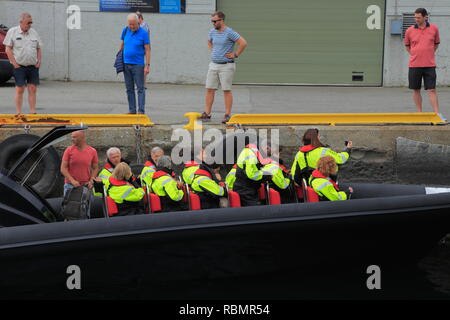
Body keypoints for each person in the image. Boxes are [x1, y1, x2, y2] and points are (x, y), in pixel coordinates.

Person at [200, 11, 248, 124]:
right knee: (210, 89)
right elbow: (209, 41)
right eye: (212, 21)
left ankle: (227, 114)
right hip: (213, 65)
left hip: (226, 66)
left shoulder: (230, 32)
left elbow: (243, 43)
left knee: (226, 90)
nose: (213, 23)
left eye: (215, 21)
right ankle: (207, 113)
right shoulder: (212, 31)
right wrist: (213, 50)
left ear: (221, 20)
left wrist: (235, 54)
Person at [3, 13, 42, 115]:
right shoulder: (13, 32)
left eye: (31, 22)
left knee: (32, 89)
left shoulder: (33, 32)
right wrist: (14, 63)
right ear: (21, 22)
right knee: (20, 89)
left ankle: (32, 111)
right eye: (28, 23)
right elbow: (8, 49)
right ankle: (18, 113)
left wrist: (39, 61)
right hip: (19, 66)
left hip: (33, 66)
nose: (30, 25)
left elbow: (39, 48)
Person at [404, 8, 441, 116]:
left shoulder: (434, 29)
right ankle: (419, 113)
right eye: (415, 17)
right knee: (416, 90)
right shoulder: (409, 31)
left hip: (429, 65)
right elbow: (407, 46)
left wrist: (428, 54)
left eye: (418, 17)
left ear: (425, 17)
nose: (416, 19)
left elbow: (436, 44)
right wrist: (416, 54)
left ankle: (436, 113)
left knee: (432, 90)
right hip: (414, 65)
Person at [119, 13, 150, 114]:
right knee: (129, 89)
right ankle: (132, 111)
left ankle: (141, 111)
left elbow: (148, 49)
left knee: (140, 89)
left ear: (138, 22)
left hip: (138, 65)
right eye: (130, 24)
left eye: (133, 24)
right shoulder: (125, 30)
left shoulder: (144, 33)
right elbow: (122, 44)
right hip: (126, 63)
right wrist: (119, 58)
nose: (131, 27)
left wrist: (147, 65)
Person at [61, 130, 99, 196]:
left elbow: (95, 168)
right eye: (72, 137)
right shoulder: (69, 150)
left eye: (74, 137)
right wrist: (72, 180)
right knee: (70, 206)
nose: (72, 139)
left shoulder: (92, 151)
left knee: (85, 206)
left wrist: (92, 180)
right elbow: (63, 168)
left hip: (86, 186)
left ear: (82, 138)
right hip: (70, 185)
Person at [233, 142, 272, 207]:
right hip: (246, 190)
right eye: (270, 152)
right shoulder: (250, 154)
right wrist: (267, 176)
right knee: (255, 213)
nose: (269, 155)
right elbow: (252, 174)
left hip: (247, 188)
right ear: (266, 148)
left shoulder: (252, 152)